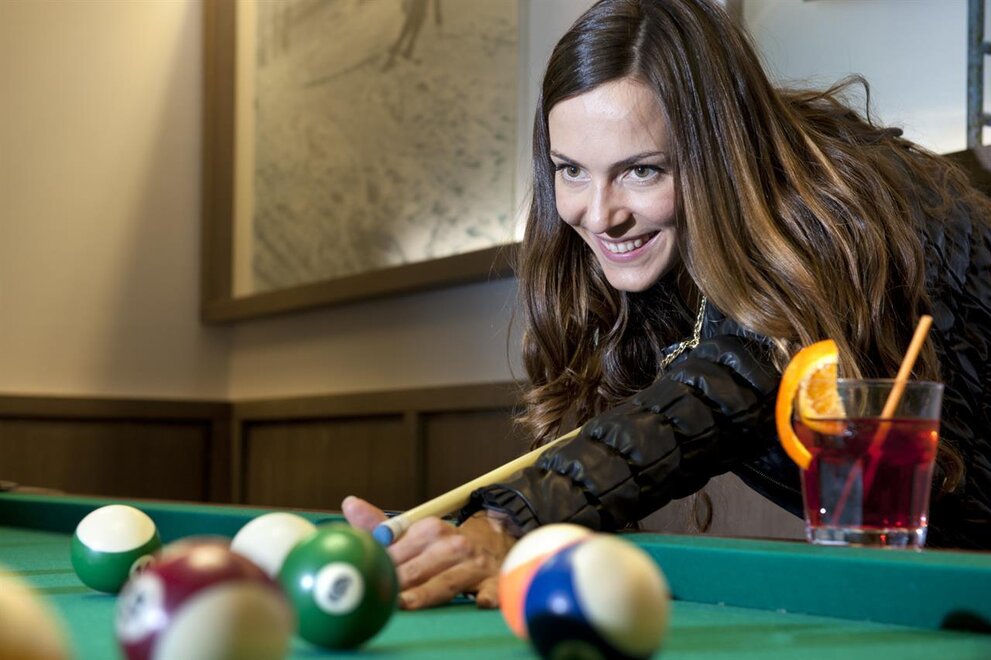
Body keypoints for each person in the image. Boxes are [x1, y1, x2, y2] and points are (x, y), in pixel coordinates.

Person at [344, 0, 991, 609]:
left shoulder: (829, 212)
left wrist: (514, 520)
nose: (600, 215)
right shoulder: (682, 250)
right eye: (571, 169)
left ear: (716, 156)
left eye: (642, 170)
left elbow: (728, 381)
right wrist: (476, 524)